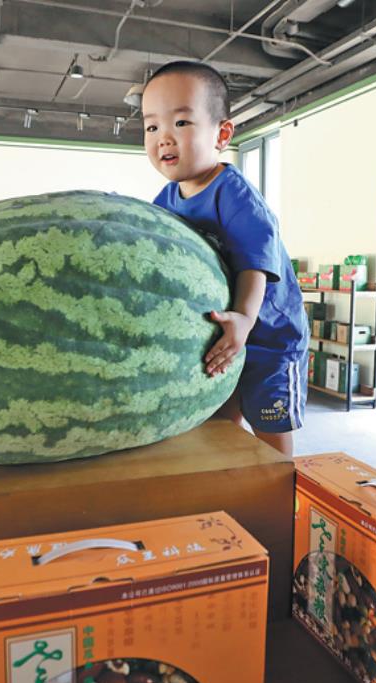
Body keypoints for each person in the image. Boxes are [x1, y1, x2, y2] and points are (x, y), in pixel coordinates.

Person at [142, 60, 308, 456]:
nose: (164, 138)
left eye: (181, 123)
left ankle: (280, 493)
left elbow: (256, 263)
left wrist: (245, 318)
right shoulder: (164, 202)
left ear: (222, 133)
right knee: (221, 422)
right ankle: (231, 491)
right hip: (222, 336)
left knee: (270, 424)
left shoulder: (233, 192)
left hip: (268, 336)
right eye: (152, 126)